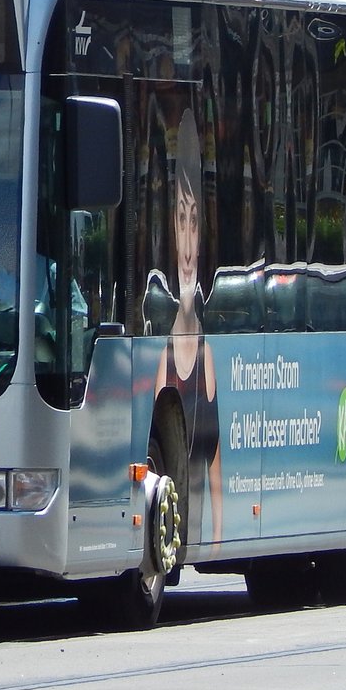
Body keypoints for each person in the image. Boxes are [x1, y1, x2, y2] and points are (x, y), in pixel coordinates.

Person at [154, 109, 222, 549]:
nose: (188, 236)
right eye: (181, 217)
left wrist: (216, 541)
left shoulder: (208, 354)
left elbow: (216, 468)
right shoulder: (162, 356)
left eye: (194, 218)